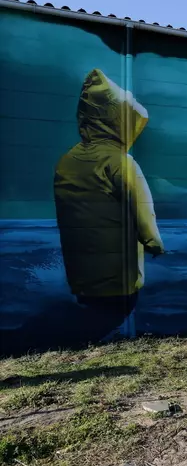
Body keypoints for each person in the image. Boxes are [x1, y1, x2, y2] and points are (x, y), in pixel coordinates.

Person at [53, 68, 164, 344]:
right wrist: (153, 242)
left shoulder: (67, 160)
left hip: (80, 274)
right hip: (118, 275)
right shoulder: (120, 162)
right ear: (118, 119)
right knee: (115, 314)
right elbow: (141, 208)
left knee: (92, 314)